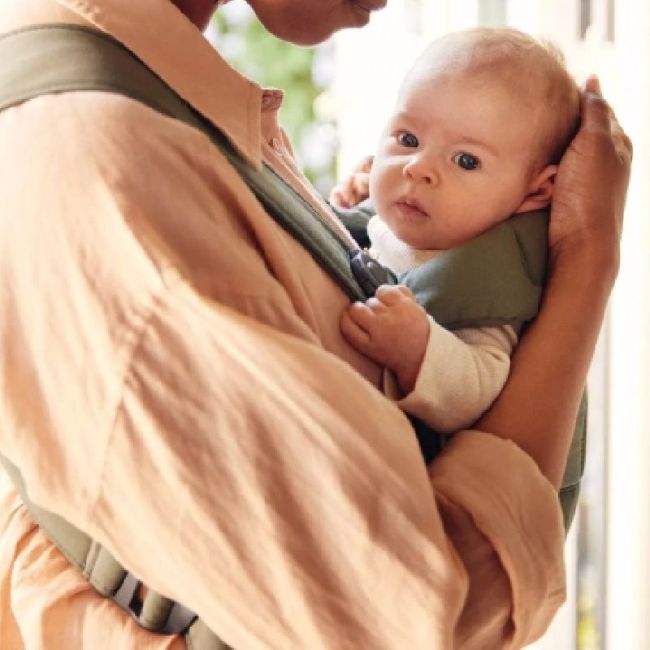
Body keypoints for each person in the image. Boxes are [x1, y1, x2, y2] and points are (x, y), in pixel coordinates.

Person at [0, 1, 631, 649]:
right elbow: (414, 622)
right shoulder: (121, 175)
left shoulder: (154, 101)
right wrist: (585, 258)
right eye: (407, 140)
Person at [335, 28, 580, 434]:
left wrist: (418, 348)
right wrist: (354, 209)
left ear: (536, 190)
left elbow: (482, 385)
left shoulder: (488, 278)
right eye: (408, 138)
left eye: (466, 161)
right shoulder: (423, 221)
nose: (418, 168)